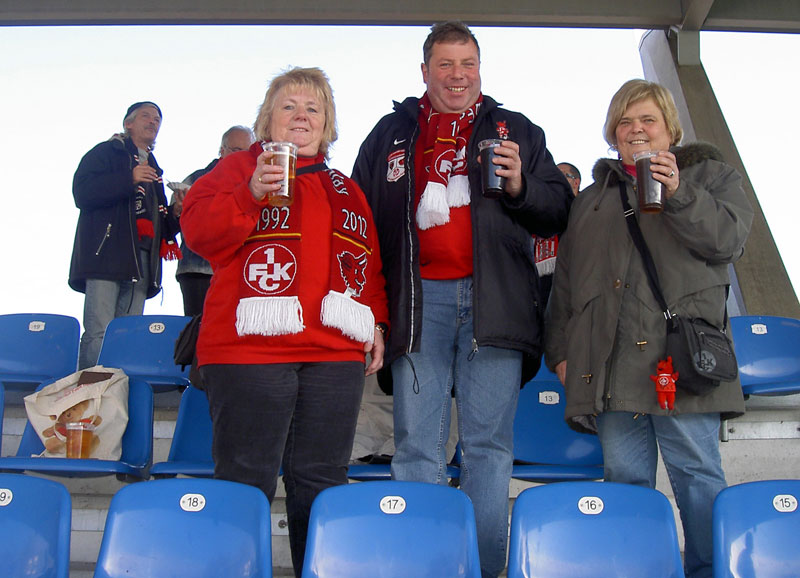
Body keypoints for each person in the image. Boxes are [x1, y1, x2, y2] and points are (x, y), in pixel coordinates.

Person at [352, 21, 573, 578]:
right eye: (445, 65)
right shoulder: (389, 133)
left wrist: (522, 187)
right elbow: (360, 222)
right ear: (424, 72)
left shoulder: (516, 128)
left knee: (488, 448)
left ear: (481, 69)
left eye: (467, 63)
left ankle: (483, 568)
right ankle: (422, 566)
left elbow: (558, 211)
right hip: (417, 305)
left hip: (494, 306)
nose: (457, 75)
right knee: (416, 447)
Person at [181, 66, 388, 577]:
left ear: (327, 123)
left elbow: (369, 268)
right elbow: (200, 233)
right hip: (248, 350)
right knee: (245, 478)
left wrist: (377, 324)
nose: (301, 116)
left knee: (322, 479)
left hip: (334, 353)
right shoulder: (236, 170)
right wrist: (250, 192)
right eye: (289, 106)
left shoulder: (347, 188)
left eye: (313, 108)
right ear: (267, 120)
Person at [544, 78, 753, 578]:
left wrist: (678, 192)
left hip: (679, 363)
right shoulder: (590, 199)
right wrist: (559, 353)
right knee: (624, 481)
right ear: (612, 131)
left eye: (648, 120)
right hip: (611, 367)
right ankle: (633, 570)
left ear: (669, 129)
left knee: (699, 479)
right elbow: (566, 286)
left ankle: (709, 571)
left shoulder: (711, 177)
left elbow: (727, 242)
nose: (636, 129)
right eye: (625, 121)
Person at [69, 101, 182, 369]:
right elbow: (82, 193)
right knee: (100, 331)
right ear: (128, 123)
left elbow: (159, 223)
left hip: (142, 258)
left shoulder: (152, 167)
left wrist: (177, 210)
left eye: (158, 119)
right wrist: (128, 178)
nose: (153, 122)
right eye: (146, 116)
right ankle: (90, 398)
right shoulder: (106, 152)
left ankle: (117, 396)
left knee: (128, 334)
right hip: (107, 254)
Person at [175, 125, 255, 316]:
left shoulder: (257, 180)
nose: (241, 155)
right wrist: (179, 208)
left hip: (239, 269)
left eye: (247, 151)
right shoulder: (198, 178)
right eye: (236, 150)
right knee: (197, 328)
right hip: (197, 268)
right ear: (222, 150)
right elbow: (178, 216)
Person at [534, 161, 581, 305]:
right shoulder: (541, 212)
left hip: (571, 283)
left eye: (561, 175)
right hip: (540, 288)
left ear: (576, 182)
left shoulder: (585, 208)